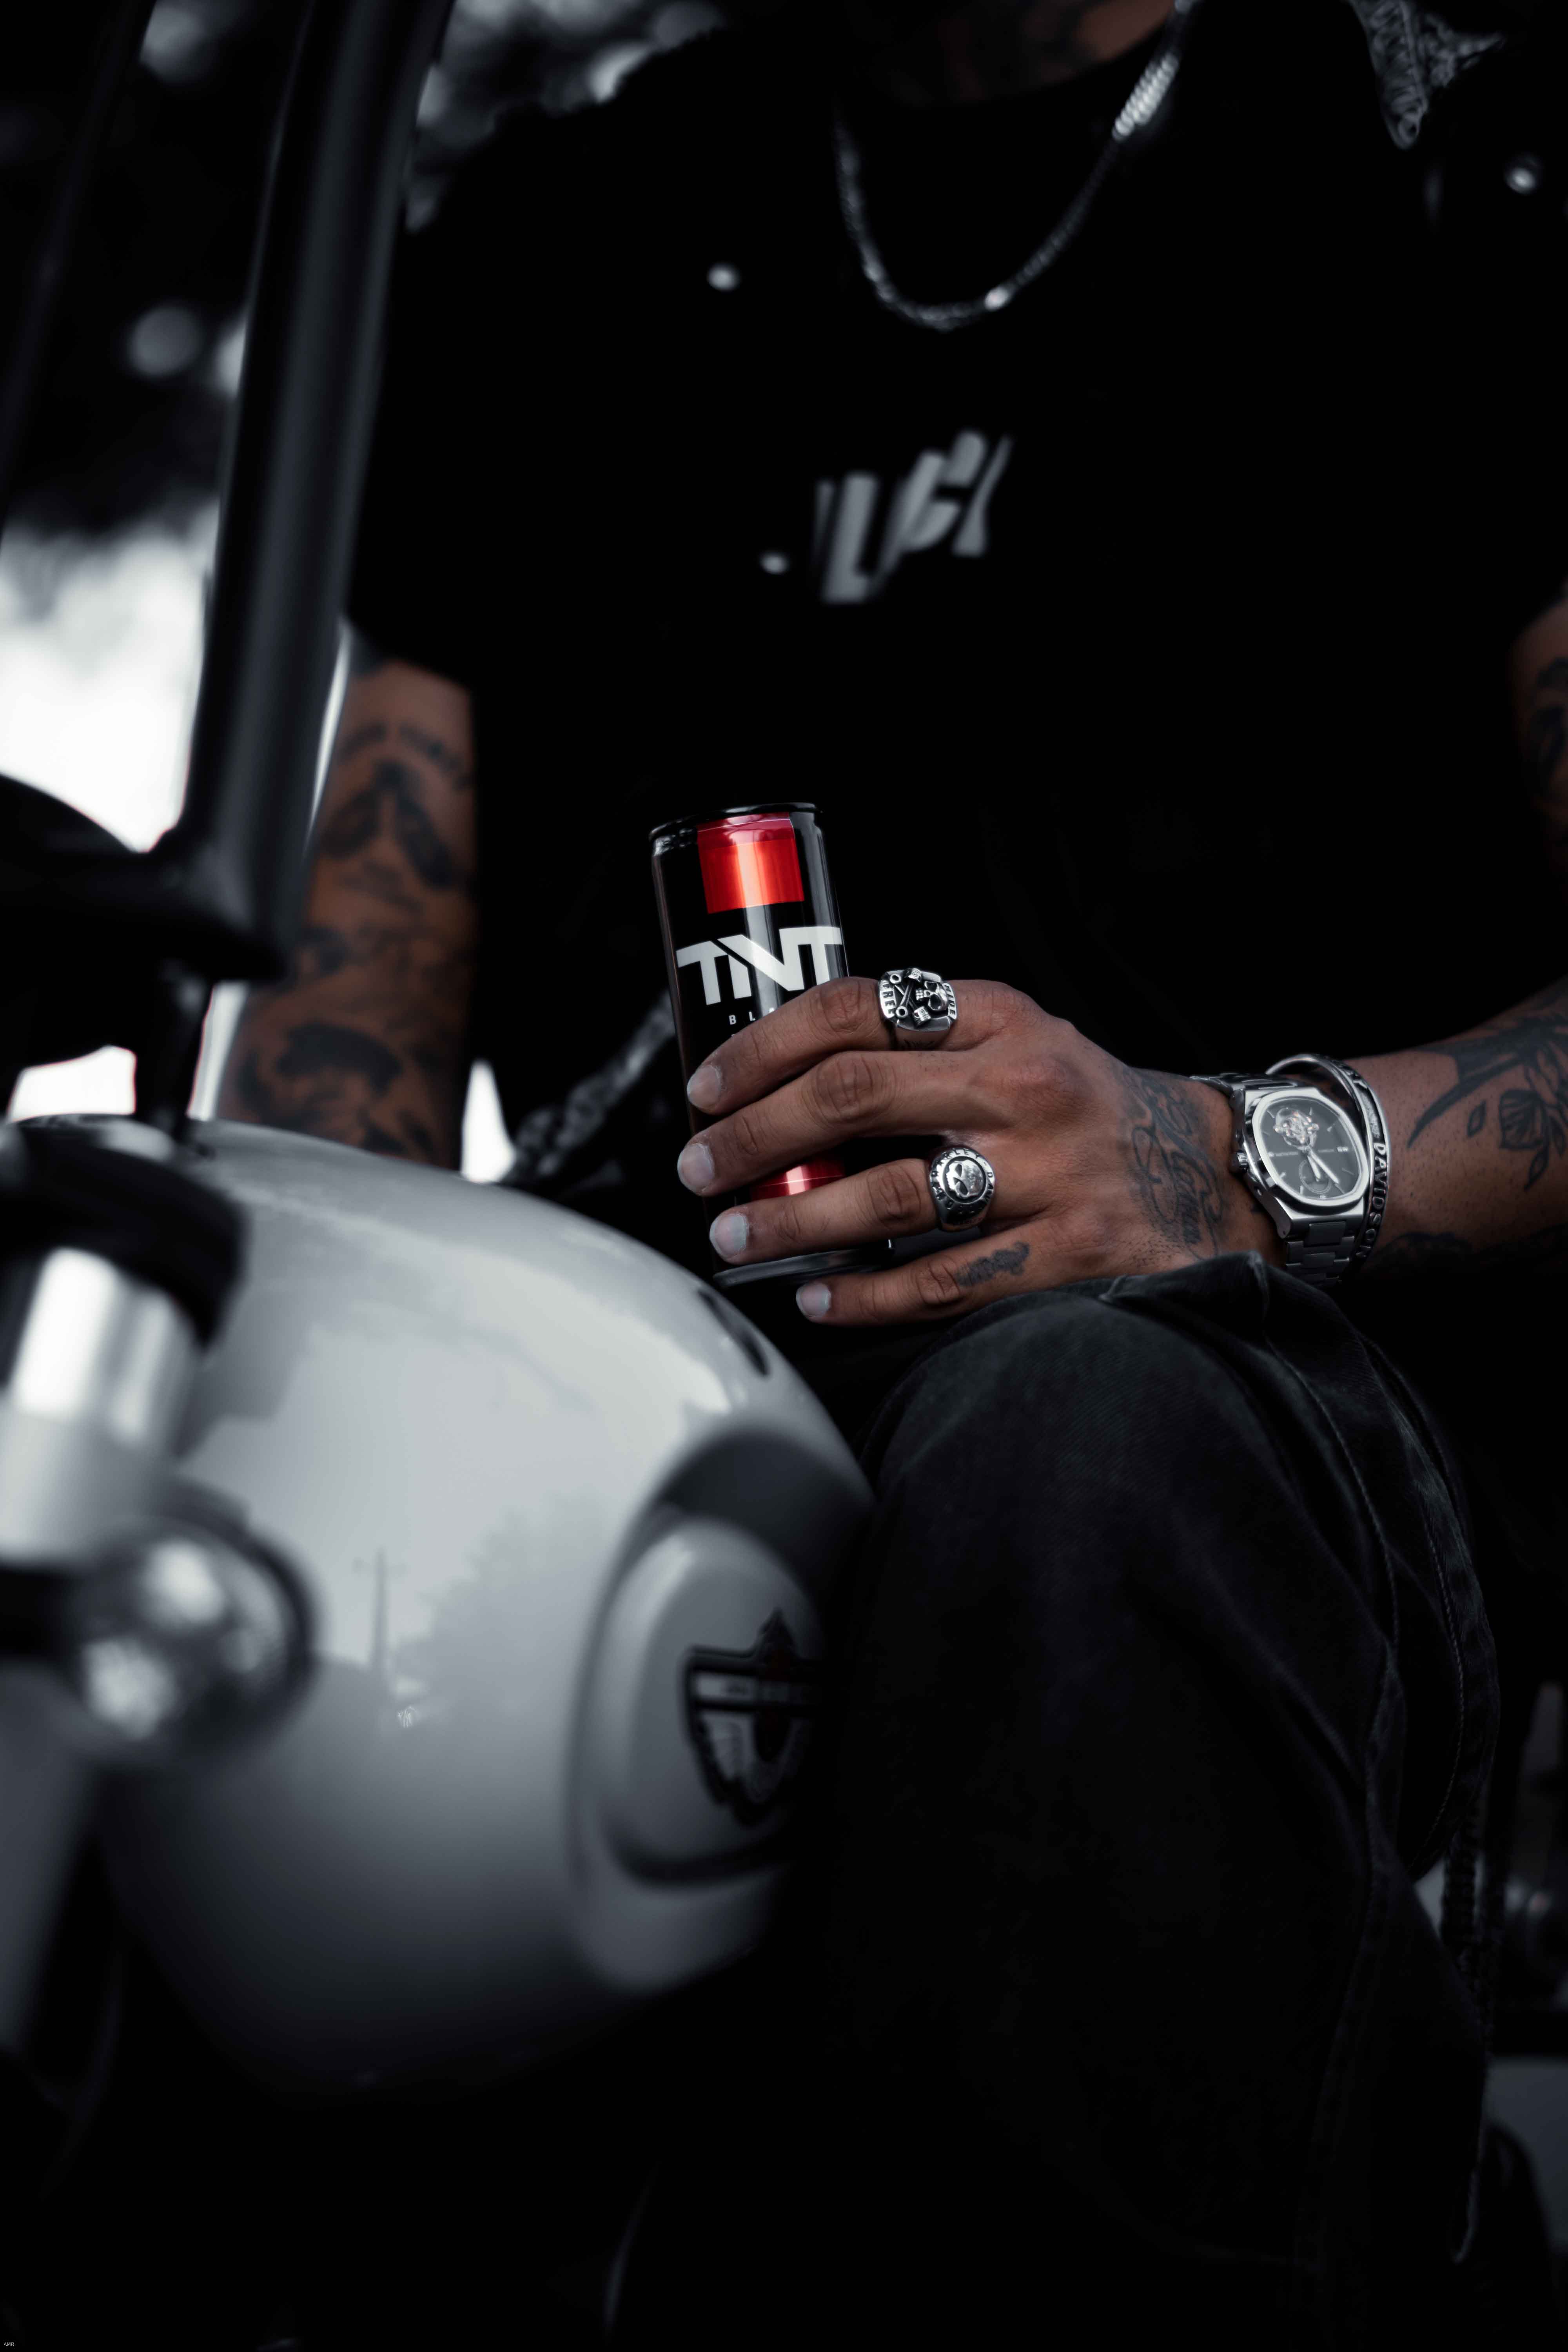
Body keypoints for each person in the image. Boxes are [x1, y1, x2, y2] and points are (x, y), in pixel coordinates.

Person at [214, 0, 1568, 2337]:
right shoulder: (562, 234)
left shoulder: (1460, 148)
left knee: (1078, 1443)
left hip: (1263, 1396)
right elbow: (350, 1032)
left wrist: (1220, 1163)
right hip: (617, 1394)